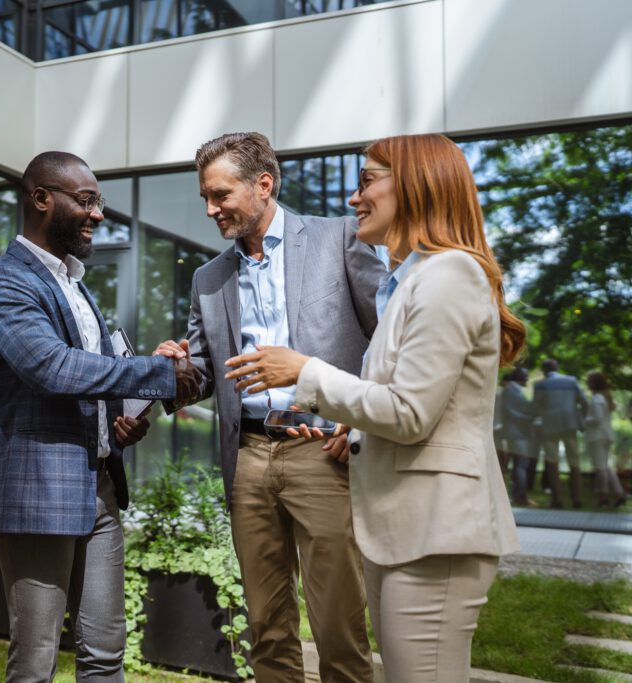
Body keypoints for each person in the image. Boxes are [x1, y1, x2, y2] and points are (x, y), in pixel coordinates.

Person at [224, 133, 523, 682]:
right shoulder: (408, 282)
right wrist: (351, 422)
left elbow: (411, 413)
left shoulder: (449, 274)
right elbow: (407, 397)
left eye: (367, 181)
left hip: (437, 529)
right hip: (403, 527)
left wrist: (304, 372)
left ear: (416, 185)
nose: (354, 198)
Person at [155, 132, 383, 683]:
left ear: (263, 184)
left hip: (323, 451)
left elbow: (388, 339)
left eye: (220, 195)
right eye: (205, 198)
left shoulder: (339, 237)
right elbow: (208, 373)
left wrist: (359, 428)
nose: (211, 209)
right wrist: (177, 367)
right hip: (249, 458)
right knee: (266, 625)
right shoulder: (209, 279)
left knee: (338, 625)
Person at [0, 151, 198, 682]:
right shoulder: (3, 283)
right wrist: (159, 377)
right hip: (38, 492)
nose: (98, 214)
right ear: (42, 199)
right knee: (35, 661)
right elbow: (50, 368)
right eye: (87, 200)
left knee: (105, 655)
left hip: (99, 489)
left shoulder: (75, 285)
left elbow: (93, 378)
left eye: (100, 201)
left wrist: (124, 417)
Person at [533, 358, 588, 508]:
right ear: (557, 367)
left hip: (550, 427)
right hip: (570, 425)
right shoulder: (571, 381)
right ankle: (577, 499)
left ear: (544, 370)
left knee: (552, 463)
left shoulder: (540, 385)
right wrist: (582, 422)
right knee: (574, 463)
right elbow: (584, 402)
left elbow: (535, 407)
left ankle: (557, 500)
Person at [586, 372, 625, 507]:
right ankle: (618, 493)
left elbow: (596, 419)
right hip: (606, 435)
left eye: (589, 381)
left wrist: (584, 420)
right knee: (606, 466)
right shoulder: (605, 398)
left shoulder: (597, 399)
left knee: (600, 468)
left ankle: (603, 497)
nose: (587, 383)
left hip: (598, 437)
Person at [500, 367, 537, 506]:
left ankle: (519, 495)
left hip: (519, 432)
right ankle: (520, 496)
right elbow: (509, 411)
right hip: (515, 433)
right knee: (520, 465)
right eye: (525, 375)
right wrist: (527, 419)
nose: (527, 378)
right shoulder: (510, 389)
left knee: (521, 465)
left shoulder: (515, 389)